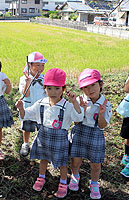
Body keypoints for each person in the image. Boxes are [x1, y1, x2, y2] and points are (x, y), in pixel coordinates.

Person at [15, 68, 83, 198]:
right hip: (43, 137)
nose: (53, 92)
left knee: (62, 163)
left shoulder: (67, 106)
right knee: (43, 159)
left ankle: (63, 182)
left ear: (63, 89)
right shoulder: (41, 103)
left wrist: (74, 102)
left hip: (60, 140)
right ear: (44, 88)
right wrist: (21, 108)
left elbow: (78, 118)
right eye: (49, 88)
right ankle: (41, 177)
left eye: (57, 88)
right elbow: (26, 115)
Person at [68, 69, 112, 199]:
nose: (90, 90)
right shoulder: (80, 99)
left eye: (93, 85)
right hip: (80, 132)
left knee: (95, 164)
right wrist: (81, 109)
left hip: (96, 134)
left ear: (100, 84)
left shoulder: (105, 103)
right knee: (76, 161)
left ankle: (94, 183)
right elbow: (76, 122)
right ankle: (75, 176)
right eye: (85, 87)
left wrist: (102, 113)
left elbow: (102, 125)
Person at [18, 52, 48, 156]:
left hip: (42, 109)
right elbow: (25, 95)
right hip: (29, 107)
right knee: (27, 128)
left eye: (42, 65)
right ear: (29, 65)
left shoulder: (45, 79)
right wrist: (28, 82)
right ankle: (26, 144)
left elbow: (48, 94)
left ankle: (40, 145)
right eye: (37, 65)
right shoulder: (23, 79)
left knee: (41, 127)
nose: (40, 68)